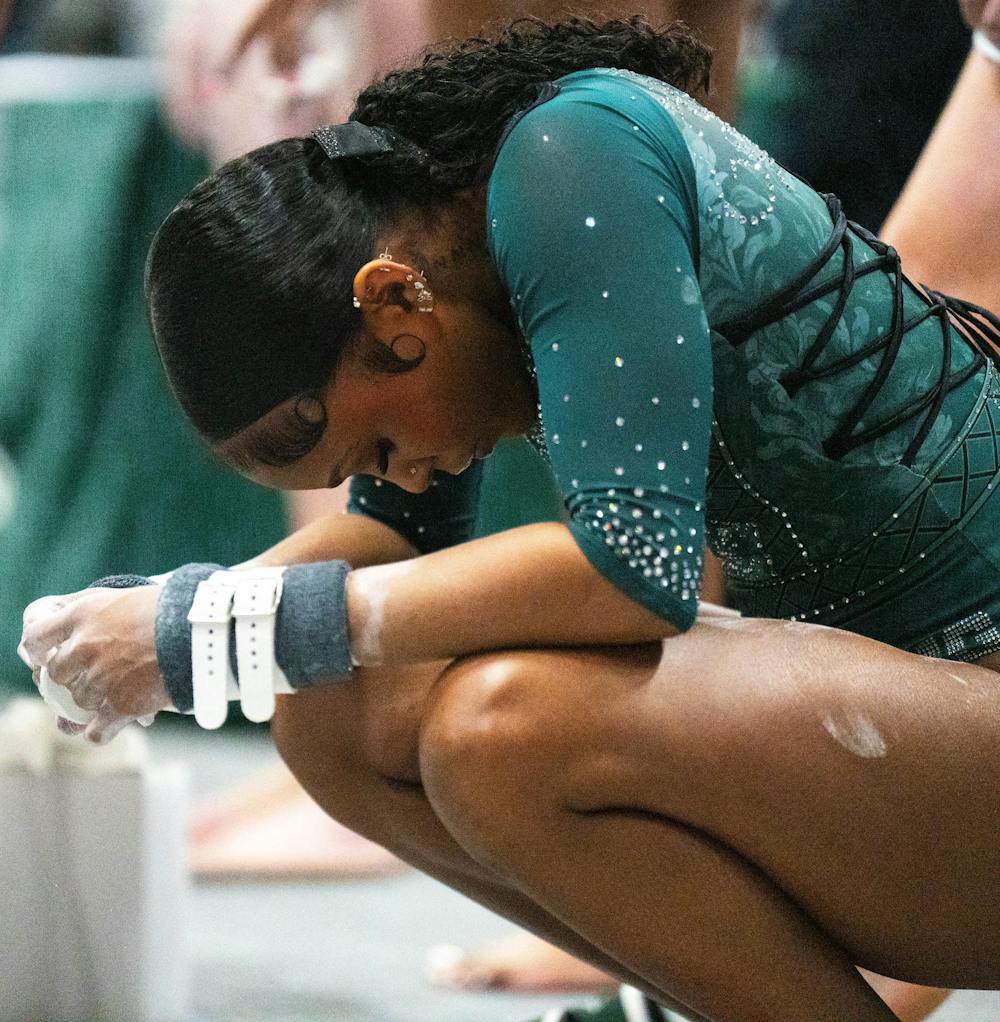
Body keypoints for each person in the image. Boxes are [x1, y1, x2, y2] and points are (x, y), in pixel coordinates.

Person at [20, 15, 1000, 1022]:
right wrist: (165, 612)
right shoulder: (451, 257)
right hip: (919, 744)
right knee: (335, 711)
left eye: (382, 449)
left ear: (394, 303)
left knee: (504, 723)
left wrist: (201, 637)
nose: (405, 473)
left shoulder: (571, 159)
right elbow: (395, 543)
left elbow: (632, 569)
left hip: (966, 728)